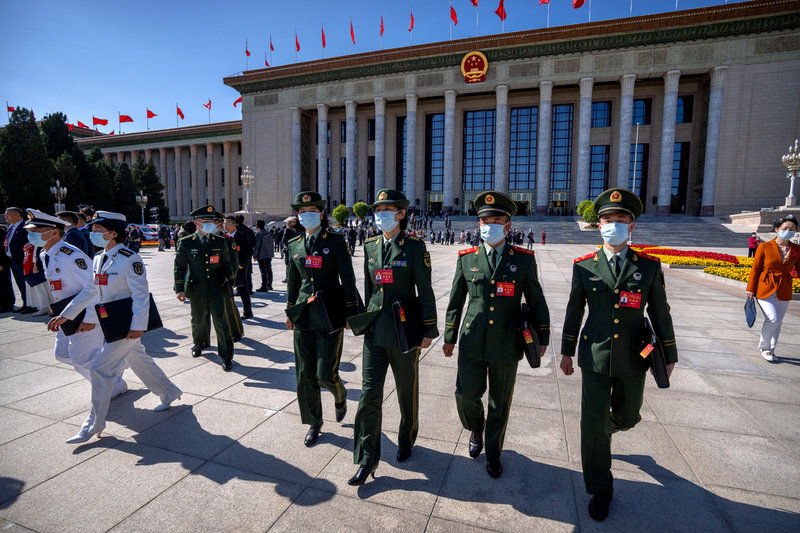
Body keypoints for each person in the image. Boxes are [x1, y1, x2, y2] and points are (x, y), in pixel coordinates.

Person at [560, 188, 678, 522]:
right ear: (599, 226)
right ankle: (601, 487)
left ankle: (609, 428)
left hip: (633, 356)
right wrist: (566, 351)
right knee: (592, 425)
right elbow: (573, 311)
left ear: (632, 227)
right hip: (594, 354)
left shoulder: (649, 267)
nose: (614, 225)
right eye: (608, 220)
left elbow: (660, 312)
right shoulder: (584, 266)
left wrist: (670, 353)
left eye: (621, 220)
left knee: (629, 416)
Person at [49, 211, 182, 444]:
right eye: (92, 230)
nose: (92, 234)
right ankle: (169, 391)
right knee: (138, 359)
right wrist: (66, 315)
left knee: (100, 370)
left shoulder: (130, 258)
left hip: (125, 324)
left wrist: (138, 326)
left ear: (113, 233)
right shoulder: (99, 258)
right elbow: (90, 291)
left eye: (97, 231)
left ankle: (93, 424)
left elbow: (141, 296)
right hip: (109, 322)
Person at [442, 191, 550, 479]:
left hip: (506, 342)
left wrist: (543, 338)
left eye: (495, 219)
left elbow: (537, 301)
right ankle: (476, 427)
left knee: (499, 402)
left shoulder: (524, 260)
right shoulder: (467, 258)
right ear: (478, 225)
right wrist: (450, 336)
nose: (489, 224)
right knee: (465, 395)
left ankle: (494, 451)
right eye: (484, 220)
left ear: (508, 224)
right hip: (472, 339)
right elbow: (455, 299)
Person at [347, 189, 439, 486]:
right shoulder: (371, 244)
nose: (381, 215)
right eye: (378, 210)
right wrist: (362, 319)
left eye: (387, 210)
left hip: (403, 334)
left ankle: (407, 437)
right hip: (375, 334)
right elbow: (369, 288)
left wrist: (428, 330)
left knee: (406, 391)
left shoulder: (414, 247)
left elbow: (424, 291)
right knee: (368, 396)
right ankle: (365, 458)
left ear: (401, 214)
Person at [25, 209, 127, 396]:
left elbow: (95, 287)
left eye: (36, 232)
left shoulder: (71, 256)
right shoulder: (44, 253)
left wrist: (90, 318)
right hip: (66, 313)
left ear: (54, 232)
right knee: (62, 354)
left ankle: (113, 385)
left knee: (81, 359)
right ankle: (114, 367)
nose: (31, 236)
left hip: (85, 312)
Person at [285, 191, 358, 448]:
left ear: (322, 214)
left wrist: (351, 312)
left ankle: (340, 394)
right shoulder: (293, 245)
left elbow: (348, 280)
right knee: (305, 375)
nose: (307, 216)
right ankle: (315, 423)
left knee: (325, 374)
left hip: (330, 315)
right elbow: (293, 283)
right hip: (303, 317)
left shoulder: (336, 242)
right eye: (302, 213)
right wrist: (289, 311)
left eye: (312, 212)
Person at [174, 206, 239, 371]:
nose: (210, 224)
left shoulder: (220, 241)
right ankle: (198, 343)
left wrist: (231, 282)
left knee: (221, 322)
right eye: (206, 222)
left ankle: (226, 356)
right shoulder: (186, 242)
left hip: (216, 288)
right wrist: (179, 289)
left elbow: (226, 264)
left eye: (212, 221)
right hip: (196, 289)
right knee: (198, 320)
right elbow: (180, 267)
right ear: (197, 223)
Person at [746, 214, 799, 362]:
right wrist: (750, 289)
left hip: (784, 287)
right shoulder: (764, 246)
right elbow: (755, 269)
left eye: (792, 229)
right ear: (777, 229)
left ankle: (771, 349)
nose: (788, 231)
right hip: (765, 286)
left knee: (779, 322)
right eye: (785, 228)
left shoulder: (796, 249)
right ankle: (764, 347)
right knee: (773, 319)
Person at [4, 207, 35, 313]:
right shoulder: (11, 227)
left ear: (17, 215)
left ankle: (30, 305)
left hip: (22, 260)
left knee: (26, 283)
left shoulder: (24, 227)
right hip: (12, 260)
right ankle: (25, 304)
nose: (5, 217)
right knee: (20, 284)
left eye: (8, 214)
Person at [224, 215, 254, 319]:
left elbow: (249, 251)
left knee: (242, 289)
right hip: (227, 268)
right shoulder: (225, 237)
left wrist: (241, 264)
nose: (225, 225)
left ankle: (247, 311)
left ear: (234, 225)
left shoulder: (241, 236)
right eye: (224, 223)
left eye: (227, 223)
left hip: (240, 268)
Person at [253, 220, 274, 292]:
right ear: (264, 225)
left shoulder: (258, 234)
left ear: (257, 226)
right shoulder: (269, 233)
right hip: (268, 254)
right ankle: (269, 285)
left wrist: (255, 255)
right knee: (269, 270)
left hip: (261, 255)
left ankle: (264, 286)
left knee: (263, 271)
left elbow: (257, 246)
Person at [281, 216, 300, 282]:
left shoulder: (287, 230)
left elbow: (284, 239)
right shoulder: (298, 230)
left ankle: (288, 277)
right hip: (297, 249)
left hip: (289, 249)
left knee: (288, 264)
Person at [0, 224, 13, 313]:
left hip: (1, 263)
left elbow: (1, 249)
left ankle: (6, 305)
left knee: (3, 284)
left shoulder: (0, 232)